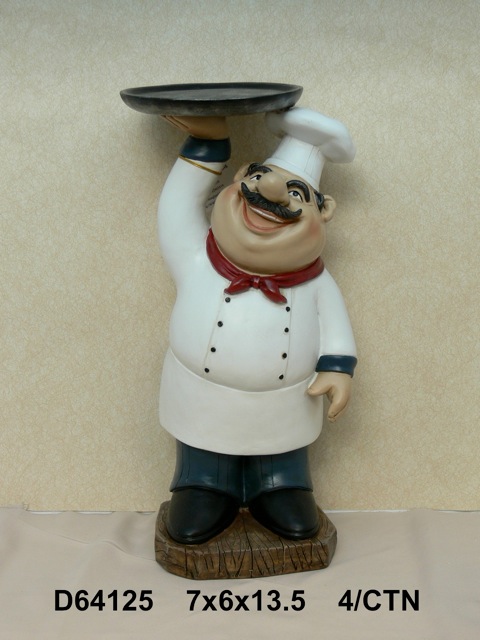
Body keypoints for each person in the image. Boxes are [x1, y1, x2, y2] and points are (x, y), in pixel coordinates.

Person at [157, 108, 357, 544]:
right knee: (204, 449)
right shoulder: (195, 256)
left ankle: (281, 485)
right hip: (200, 396)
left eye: (295, 194)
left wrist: (337, 368)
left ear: (323, 211)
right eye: (261, 177)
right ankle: (202, 485)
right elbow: (176, 206)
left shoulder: (317, 283)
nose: (269, 194)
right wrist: (209, 145)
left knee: (281, 453)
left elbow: (336, 329)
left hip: (285, 403)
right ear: (242, 177)